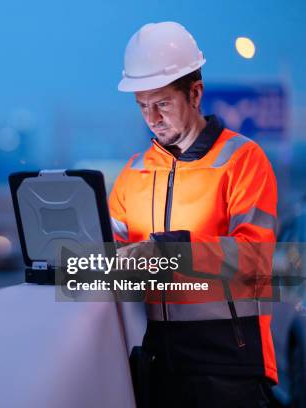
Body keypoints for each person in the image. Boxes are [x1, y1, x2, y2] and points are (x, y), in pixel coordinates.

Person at [109, 22, 279, 407]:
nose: (151, 118)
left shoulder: (242, 160)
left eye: (163, 103)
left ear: (195, 93)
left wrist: (166, 253)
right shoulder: (134, 174)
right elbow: (111, 261)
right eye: (142, 105)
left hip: (228, 369)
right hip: (161, 371)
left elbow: (256, 259)